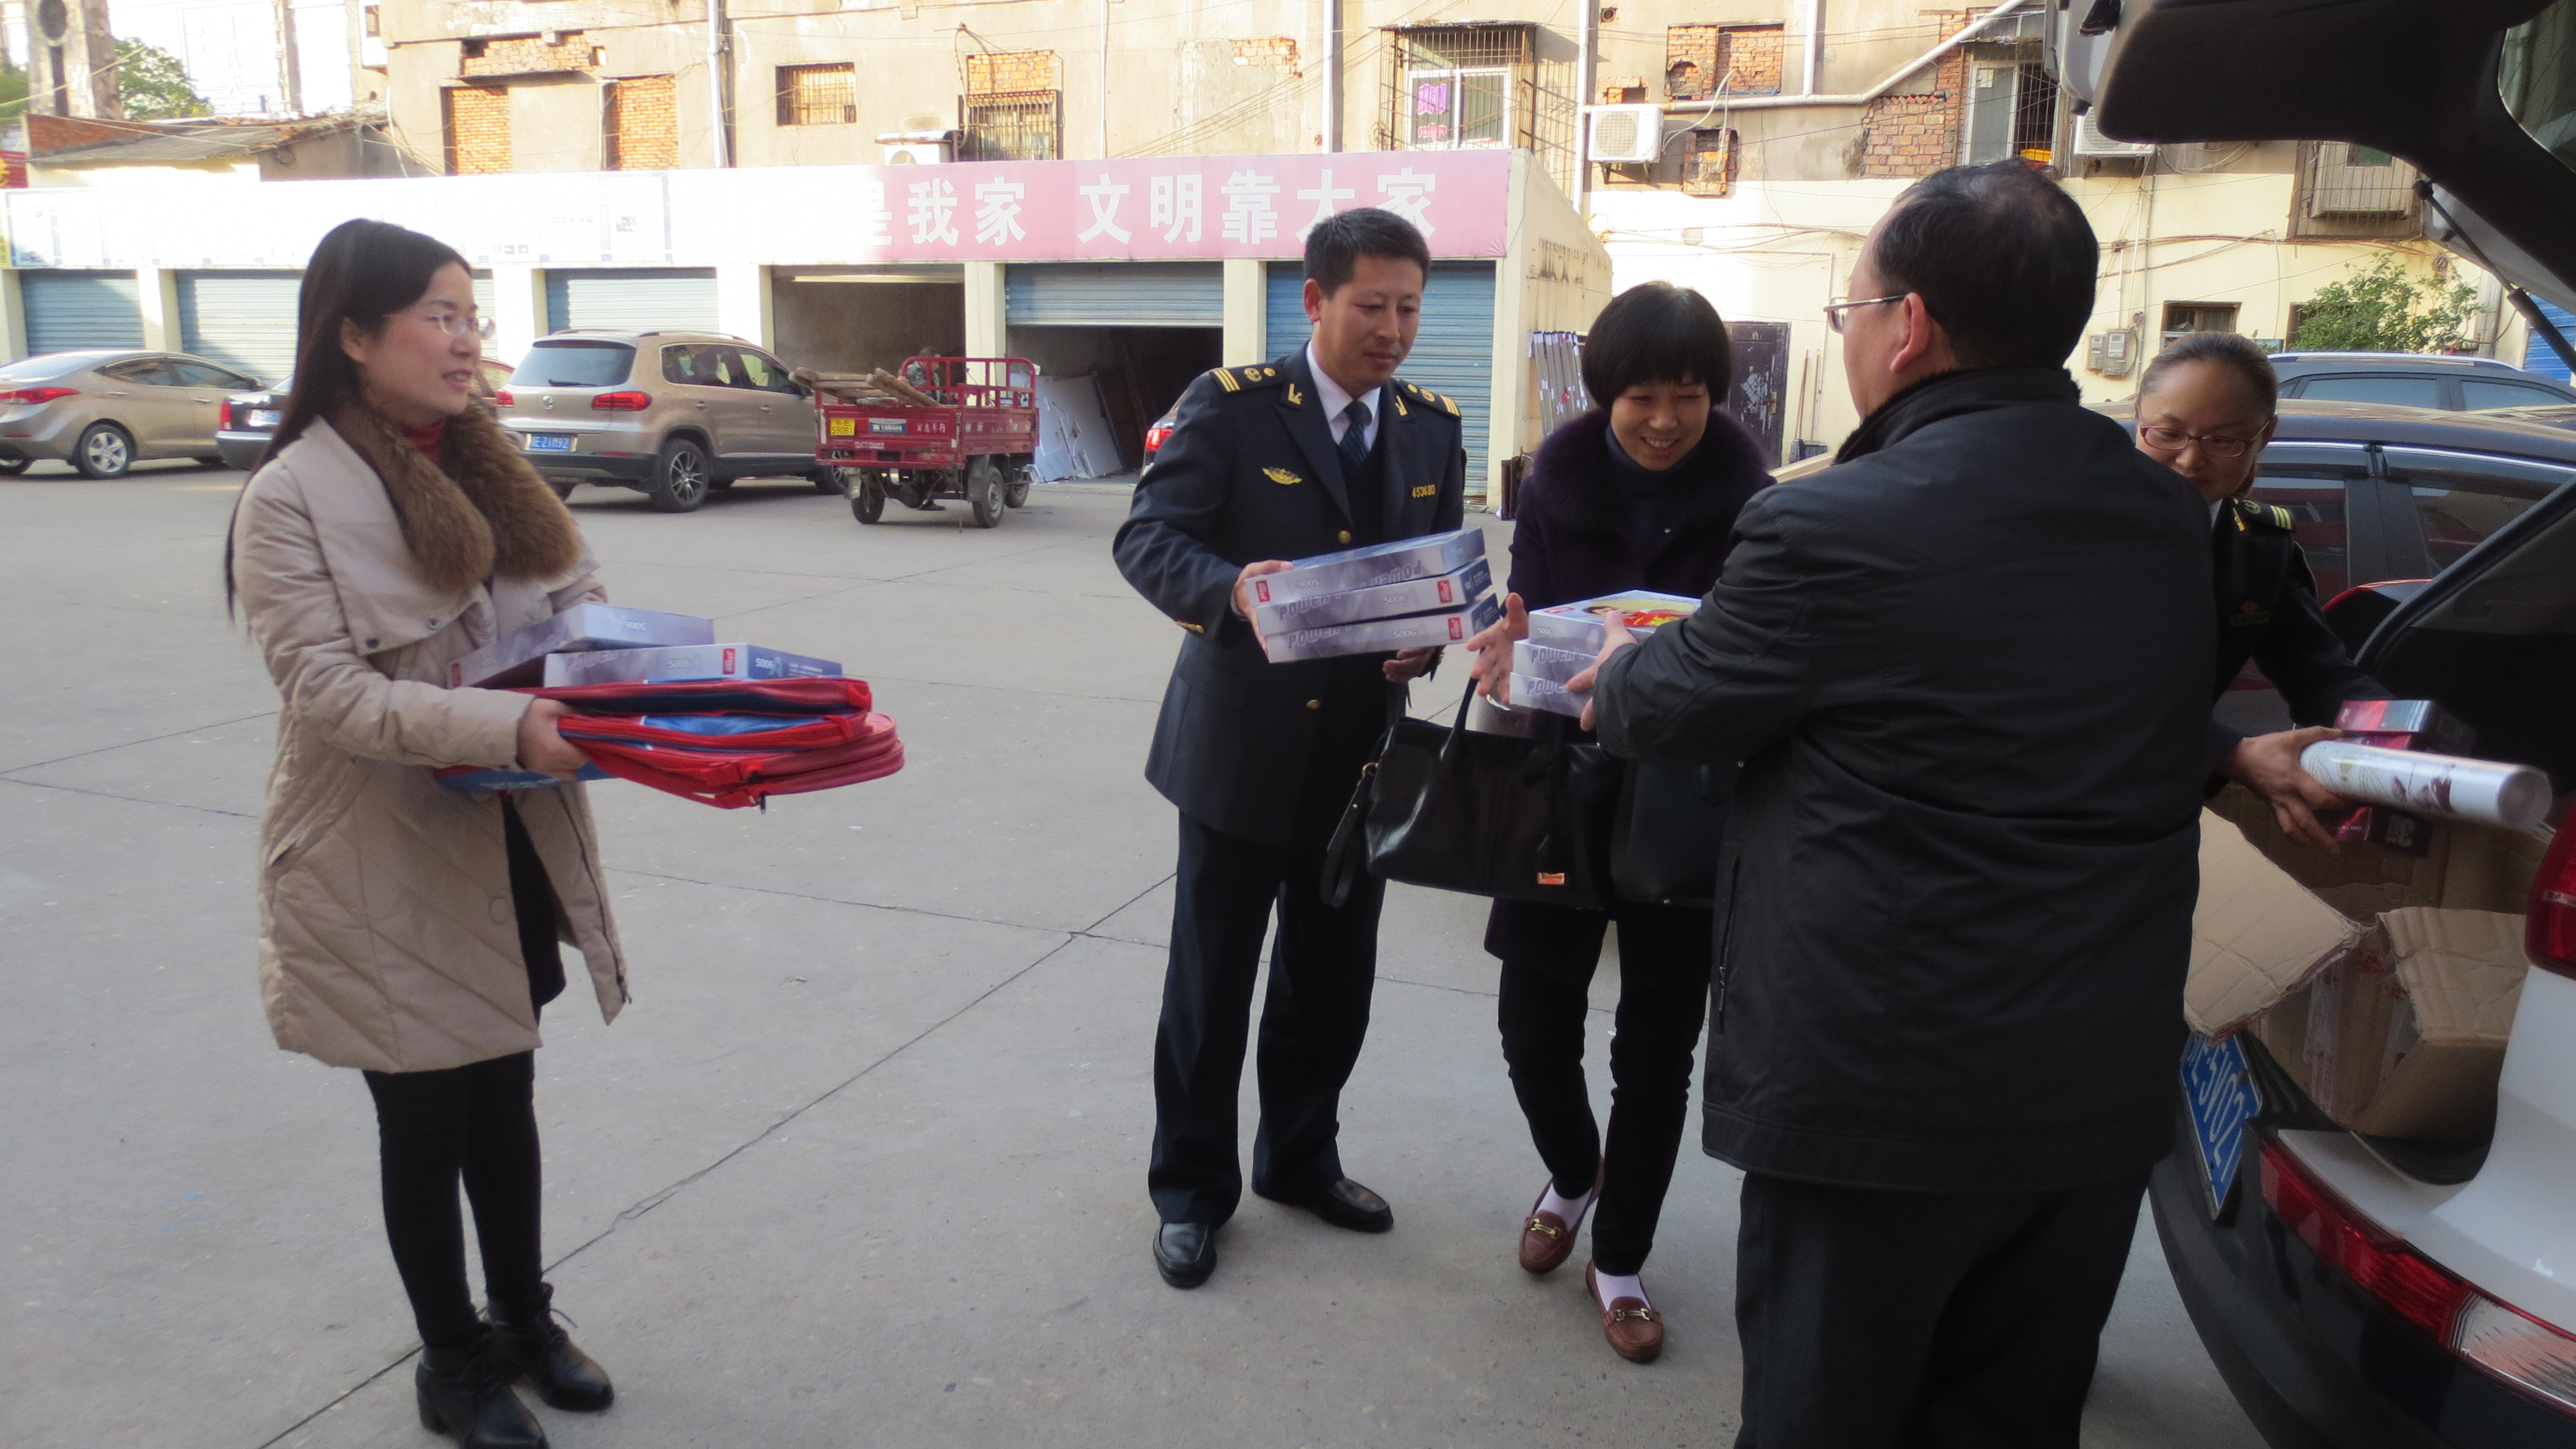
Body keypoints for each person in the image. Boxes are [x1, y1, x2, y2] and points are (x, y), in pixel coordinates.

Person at [1574, 162, 2213, 1445]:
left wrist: (1625, 666)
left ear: (1907, 325)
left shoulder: (1835, 523)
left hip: (1883, 1097)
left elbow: (1669, 705)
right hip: (2090, 1093)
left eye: (1850, 310)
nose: (1852, 335)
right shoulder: (2162, 514)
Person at [227, 219, 622, 1449]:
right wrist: (513, 726)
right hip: (374, 852)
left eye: (470, 315)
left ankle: (523, 1320)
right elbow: (327, 693)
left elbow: (581, 598)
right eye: (438, 316)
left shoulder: (495, 463)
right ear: (354, 336)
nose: (465, 340)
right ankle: (452, 1364)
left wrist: (630, 686)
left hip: (506, 830)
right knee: (424, 1118)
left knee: (505, 1089)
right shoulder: (290, 496)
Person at [1112, 207, 1466, 1290]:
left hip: (1361, 763)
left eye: (1409, 309)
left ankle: (1301, 1159)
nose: (1393, 331)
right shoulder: (1231, 409)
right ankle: (1190, 1192)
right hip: (1239, 754)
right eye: (1372, 306)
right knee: (1211, 986)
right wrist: (1230, 591)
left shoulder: (1430, 427)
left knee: (1331, 981)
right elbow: (1147, 536)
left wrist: (1427, 643)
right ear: (1314, 300)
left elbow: (1436, 575)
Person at [1459, 282, 1770, 1363]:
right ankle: (1571, 1170)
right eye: (1641, 396)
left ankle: (1620, 1257)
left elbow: (1758, 649)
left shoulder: (1750, 498)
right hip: (1562, 784)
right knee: (1530, 1024)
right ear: (1602, 394)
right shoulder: (1555, 478)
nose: (1663, 420)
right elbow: (1525, 608)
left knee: (1657, 1048)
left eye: (1687, 395)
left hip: (1689, 798)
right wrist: (1505, 646)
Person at [2133, 331, 2388, 849]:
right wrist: (2231, 754)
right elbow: (2064, 687)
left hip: (2158, 823)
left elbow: (2320, 674)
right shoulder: (2068, 529)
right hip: (2033, 814)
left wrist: (2395, 744)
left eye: (2223, 441)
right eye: (2167, 434)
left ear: (2265, 435)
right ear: (2138, 417)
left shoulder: (2260, 548)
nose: (2189, 460)